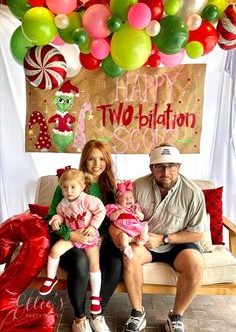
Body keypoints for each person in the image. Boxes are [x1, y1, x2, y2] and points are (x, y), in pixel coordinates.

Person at [110, 144, 208, 332]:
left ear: (179, 167)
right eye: (159, 166)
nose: (166, 172)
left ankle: (176, 316)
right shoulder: (137, 186)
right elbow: (120, 216)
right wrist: (121, 236)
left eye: (171, 166)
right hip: (143, 241)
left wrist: (164, 239)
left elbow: (197, 232)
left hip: (178, 242)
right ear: (151, 168)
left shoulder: (193, 193)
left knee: (196, 264)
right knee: (130, 257)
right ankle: (138, 312)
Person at [45, 140, 123, 332]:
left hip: (97, 239)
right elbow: (52, 216)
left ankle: (97, 313)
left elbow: (111, 218)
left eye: (101, 159)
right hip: (69, 239)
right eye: (91, 159)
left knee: (116, 262)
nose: (97, 164)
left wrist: (101, 237)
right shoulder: (69, 183)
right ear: (84, 160)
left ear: (107, 161)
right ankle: (79, 319)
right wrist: (71, 234)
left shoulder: (110, 186)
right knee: (80, 262)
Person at [40, 169, 106, 315]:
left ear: (82, 186)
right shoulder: (63, 204)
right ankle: (51, 278)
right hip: (72, 236)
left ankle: (95, 297)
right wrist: (56, 220)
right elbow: (59, 215)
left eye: (72, 187)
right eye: (64, 187)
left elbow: (101, 211)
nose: (68, 191)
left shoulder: (88, 199)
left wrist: (92, 226)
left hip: (88, 236)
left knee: (94, 265)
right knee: (55, 251)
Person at [106, 180, 149, 259]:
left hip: (134, 227)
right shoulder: (116, 207)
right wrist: (118, 212)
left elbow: (142, 218)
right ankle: (126, 248)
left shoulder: (135, 207)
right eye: (125, 198)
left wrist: (137, 212)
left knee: (145, 226)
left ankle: (142, 238)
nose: (129, 200)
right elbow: (112, 217)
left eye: (131, 198)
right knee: (122, 236)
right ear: (117, 200)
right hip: (124, 228)